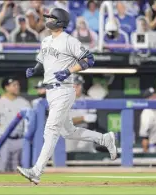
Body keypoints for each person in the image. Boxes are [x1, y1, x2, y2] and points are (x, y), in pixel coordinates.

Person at [17, 8, 117, 184]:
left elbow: (89, 59)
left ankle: (36, 171)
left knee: (51, 130)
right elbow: (41, 62)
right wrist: (35, 69)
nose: (47, 19)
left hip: (63, 89)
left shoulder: (69, 40)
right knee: (68, 131)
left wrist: (69, 70)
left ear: (60, 21)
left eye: (51, 17)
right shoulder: (46, 40)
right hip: (51, 91)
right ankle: (104, 139)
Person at [0, 77, 31, 172]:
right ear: (6, 87)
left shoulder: (24, 103)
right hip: (4, 140)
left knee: (19, 169)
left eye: (18, 85)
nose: (17, 87)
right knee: (1, 168)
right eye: (14, 85)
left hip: (20, 139)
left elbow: (30, 124)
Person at [66, 74, 97, 153]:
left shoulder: (89, 99)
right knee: (69, 157)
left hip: (85, 135)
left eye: (79, 85)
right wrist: (83, 118)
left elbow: (93, 119)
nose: (77, 88)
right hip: (68, 136)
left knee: (87, 157)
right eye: (74, 86)